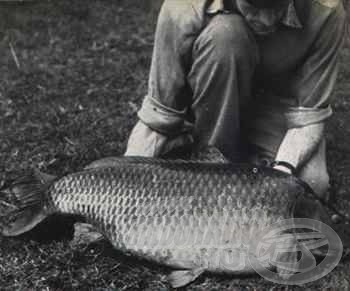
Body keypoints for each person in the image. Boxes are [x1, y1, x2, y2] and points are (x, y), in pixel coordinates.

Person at [125, 0, 347, 200]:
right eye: (253, 8)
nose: (267, 21)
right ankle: (208, 159)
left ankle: (219, 163)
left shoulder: (325, 10)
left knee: (312, 185)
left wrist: (280, 173)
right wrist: (123, 177)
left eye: (277, 8)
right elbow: (159, 115)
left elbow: (308, 117)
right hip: (208, 101)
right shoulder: (182, 6)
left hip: (275, 107)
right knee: (227, 35)